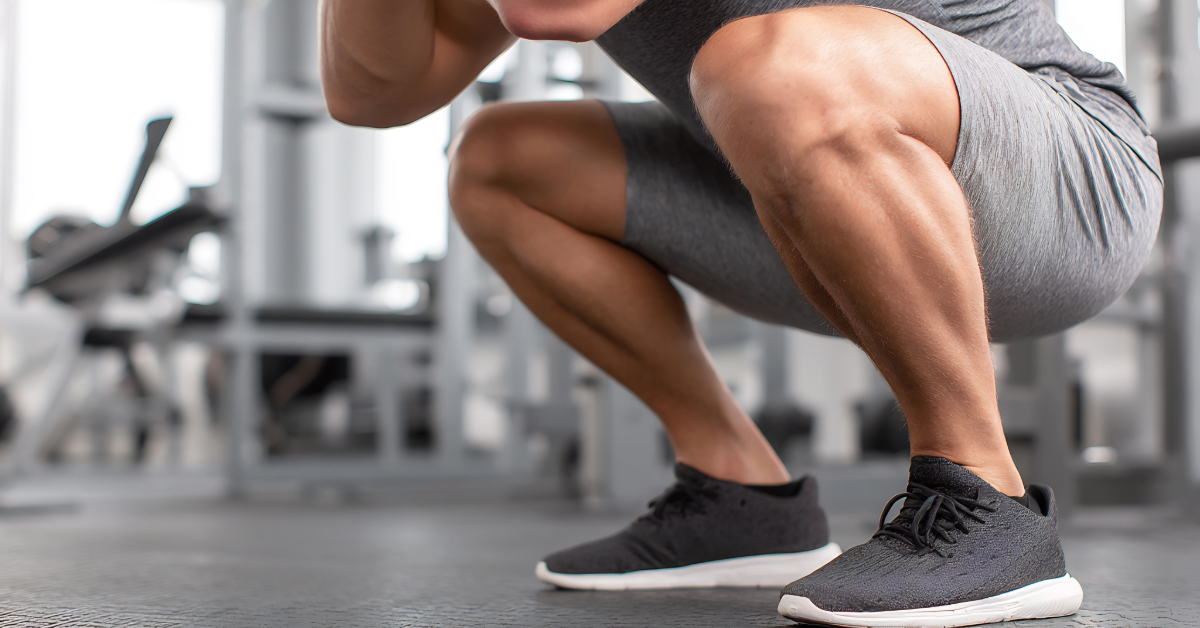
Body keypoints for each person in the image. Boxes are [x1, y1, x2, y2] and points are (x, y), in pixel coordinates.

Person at [320, 0, 1161, 625]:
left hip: (1063, 176)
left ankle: (987, 503)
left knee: (765, 66)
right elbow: (373, 91)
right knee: (502, 161)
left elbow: (554, 7)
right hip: (802, 175)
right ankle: (741, 494)